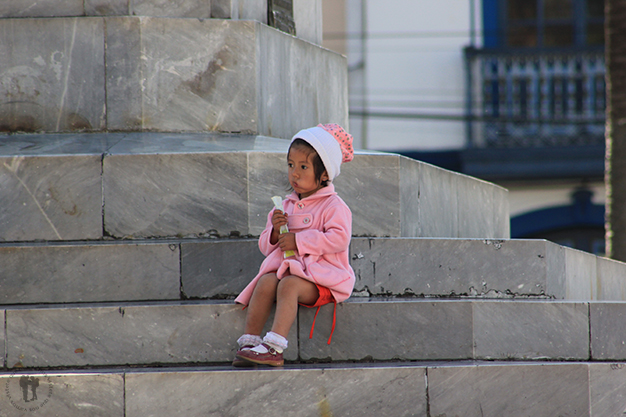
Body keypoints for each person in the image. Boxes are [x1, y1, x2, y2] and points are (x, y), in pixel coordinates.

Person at [233, 124, 356, 367]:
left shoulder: (334, 206)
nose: (295, 174)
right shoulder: (285, 205)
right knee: (266, 280)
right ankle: (250, 341)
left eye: (303, 167)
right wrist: (275, 232)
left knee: (288, 285)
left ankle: (275, 347)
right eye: (291, 165)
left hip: (322, 278)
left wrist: (299, 241)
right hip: (290, 269)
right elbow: (266, 248)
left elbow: (339, 238)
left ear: (324, 174)